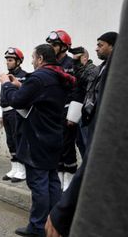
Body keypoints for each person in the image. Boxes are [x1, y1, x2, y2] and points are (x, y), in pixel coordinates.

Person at [0, 44, 75, 237]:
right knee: (52, 182)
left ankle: (37, 227)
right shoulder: (58, 76)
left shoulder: (39, 77)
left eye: (33, 58)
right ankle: (54, 223)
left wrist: (6, 85)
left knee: (39, 184)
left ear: (40, 58)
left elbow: (15, 101)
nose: (32, 61)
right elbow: (42, 97)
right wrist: (21, 86)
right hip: (53, 135)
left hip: (37, 138)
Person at [45, 31, 118, 237]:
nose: (96, 48)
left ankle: (77, 191)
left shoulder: (114, 68)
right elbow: (87, 80)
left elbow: (79, 87)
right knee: (76, 151)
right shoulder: (102, 67)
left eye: (101, 45)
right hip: (86, 118)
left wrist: (81, 63)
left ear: (113, 46)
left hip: (93, 120)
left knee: (87, 158)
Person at [46, 30, 79, 190]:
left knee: (67, 145)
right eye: (50, 45)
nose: (52, 48)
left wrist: (73, 114)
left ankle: (70, 179)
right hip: (54, 111)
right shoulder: (52, 65)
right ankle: (59, 177)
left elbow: (77, 89)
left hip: (68, 109)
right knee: (56, 145)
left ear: (64, 47)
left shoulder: (71, 64)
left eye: (55, 45)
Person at [0, 47, 28, 182]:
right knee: (10, 140)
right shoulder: (6, 76)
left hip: (17, 111)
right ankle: (15, 167)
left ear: (18, 61)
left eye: (10, 60)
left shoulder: (24, 75)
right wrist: (1, 113)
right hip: (6, 112)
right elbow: (3, 96)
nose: (7, 63)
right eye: (7, 60)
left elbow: (24, 95)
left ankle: (22, 170)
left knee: (19, 139)